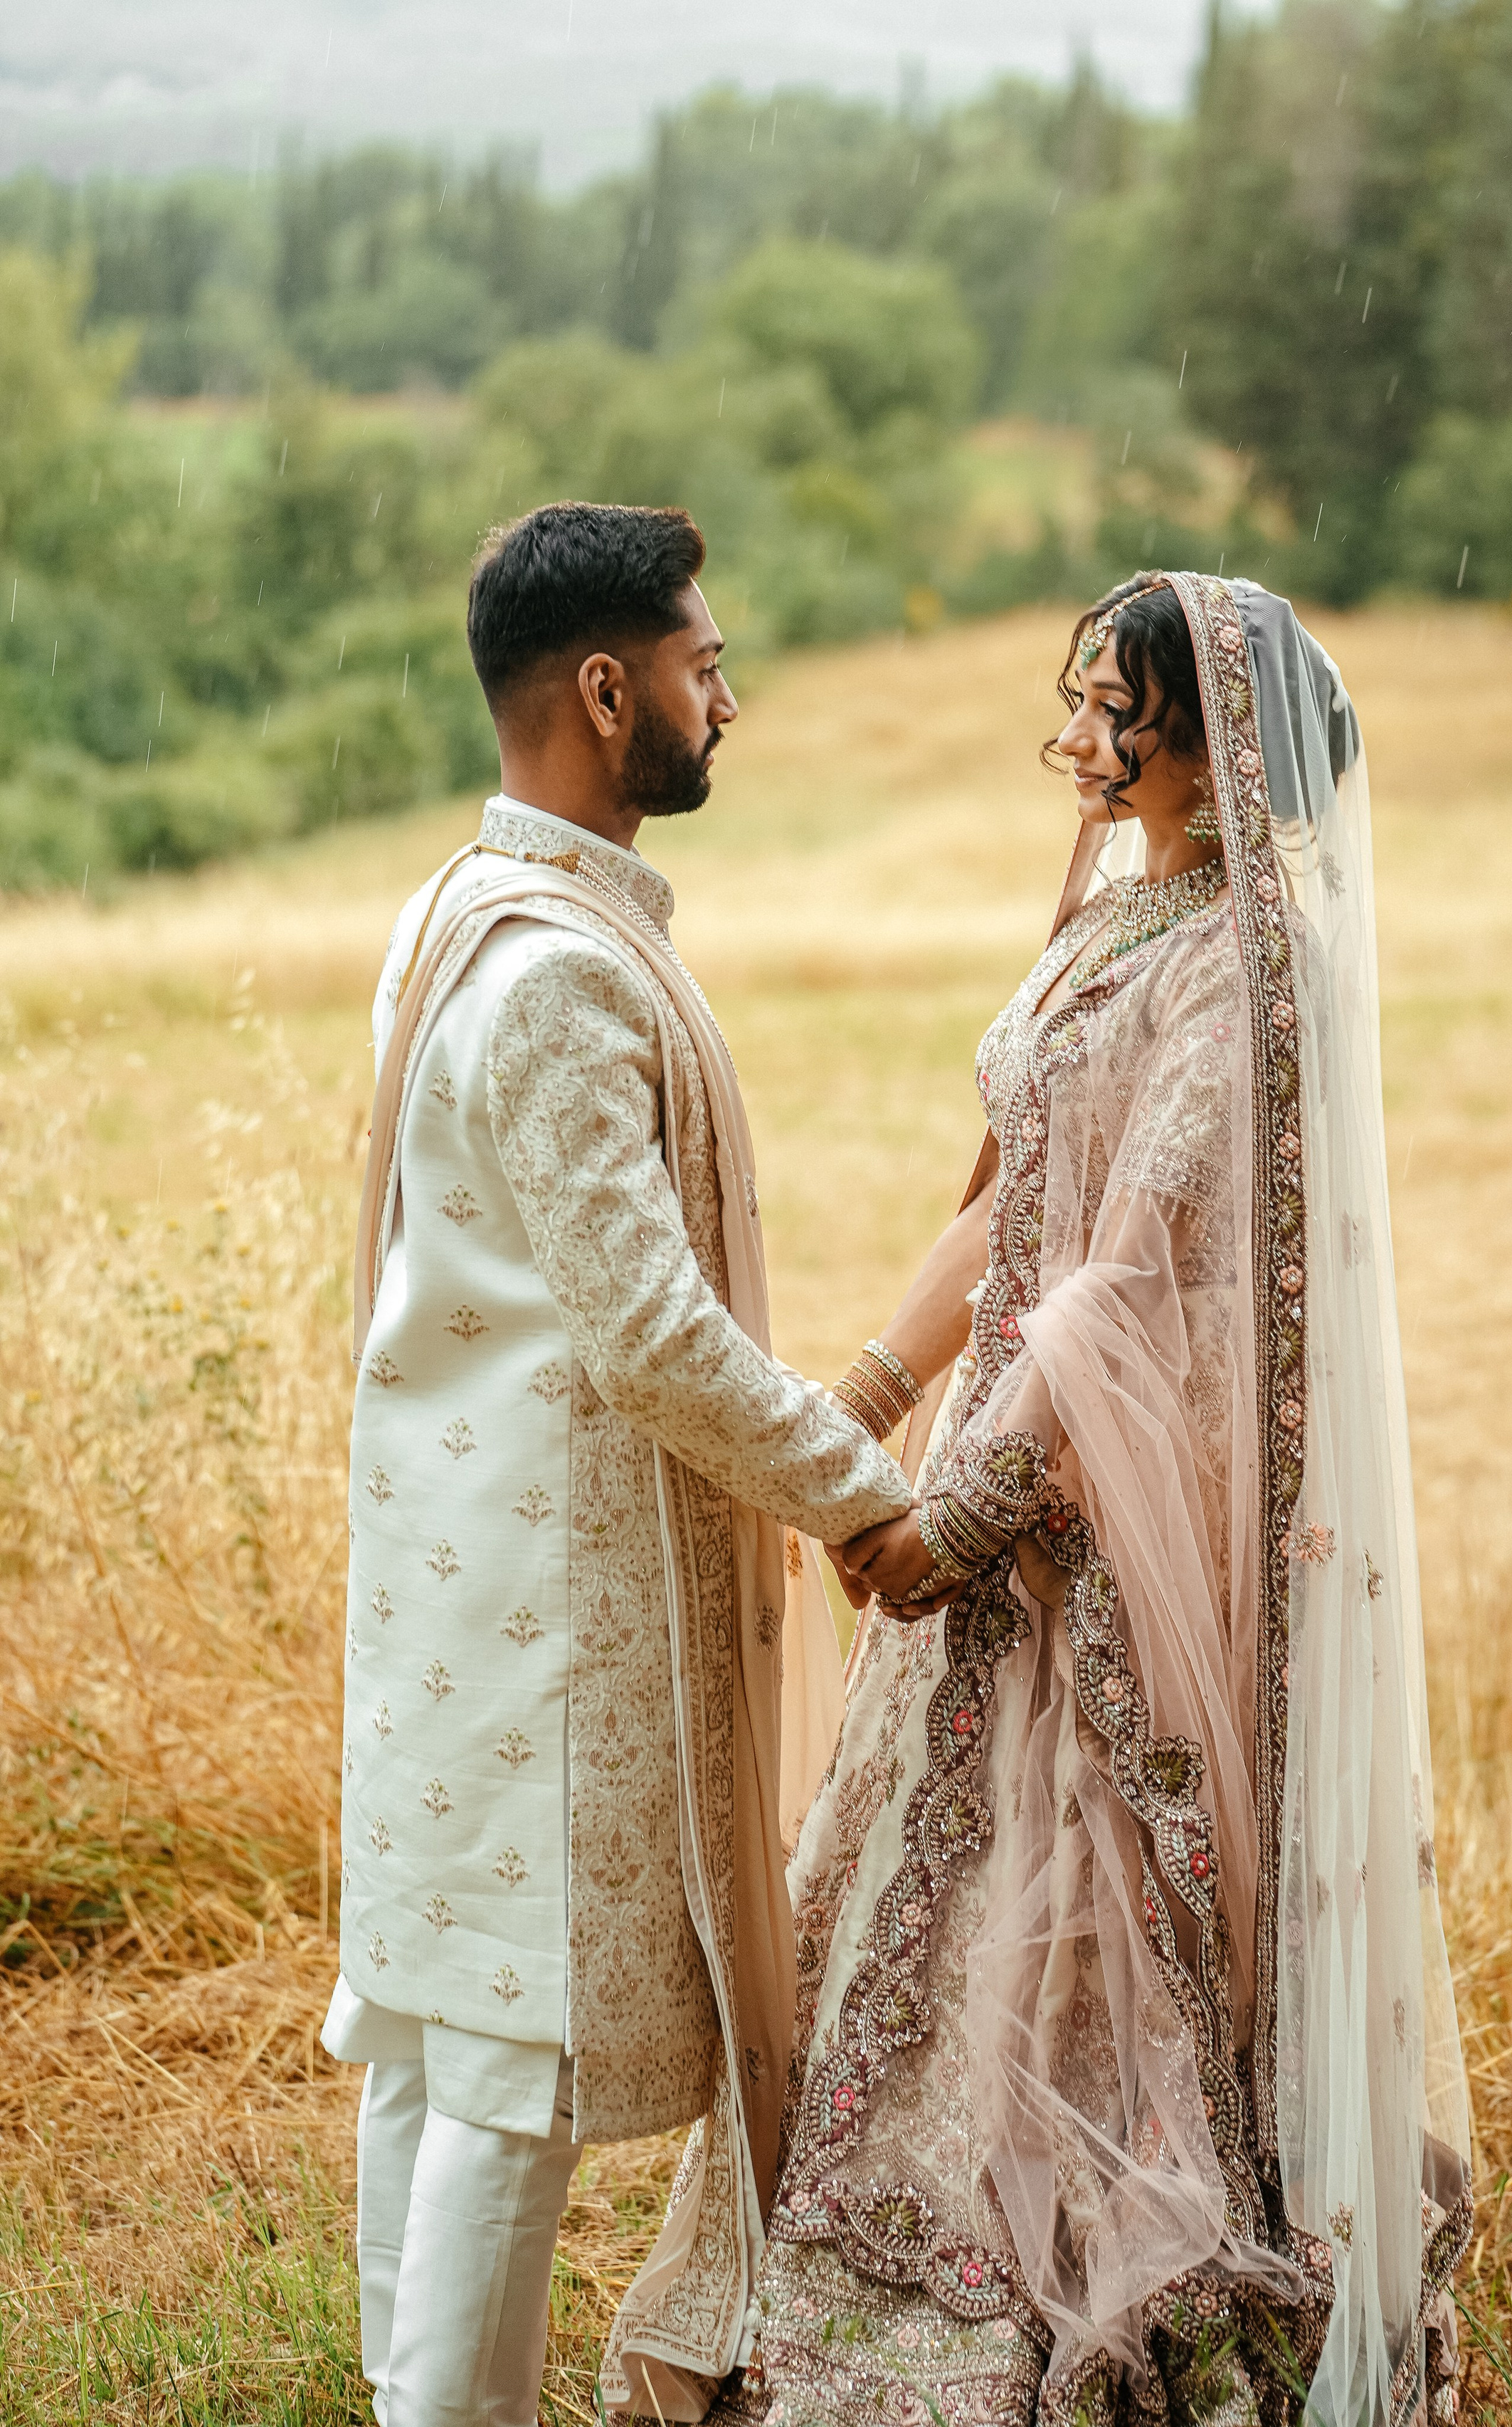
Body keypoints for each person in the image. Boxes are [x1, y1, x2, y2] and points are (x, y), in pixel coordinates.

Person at [707, 573, 1474, 2426]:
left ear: (1204, 745)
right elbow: (1021, 1193)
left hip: (1113, 1489)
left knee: (1094, 1883)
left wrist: (959, 1508)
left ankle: (1077, 2293)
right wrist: (875, 1395)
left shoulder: (1249, 968)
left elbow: (1132, 1271)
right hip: (1017, 1429)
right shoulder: (1119, 920)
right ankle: (918, 2260)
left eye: (1103, 704)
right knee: (966, 1863)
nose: (1072, 733)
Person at [327, 500, 914, 2427]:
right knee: (501, 2075)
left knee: (431, 2050)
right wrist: (866, 1489)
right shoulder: (562, 975)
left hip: (444, 1585)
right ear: (605, 687)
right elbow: (652, 1333)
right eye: (701, 663)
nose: (723, 699)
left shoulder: (455, 910)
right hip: (541, 1632)